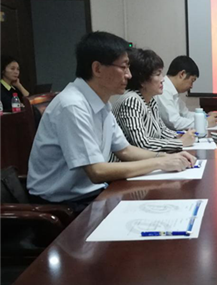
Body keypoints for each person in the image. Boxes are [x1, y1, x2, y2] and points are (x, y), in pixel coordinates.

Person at [27, 32, 196, 210]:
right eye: (123, 67)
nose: (129, 75)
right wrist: (160, 163)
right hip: (62, 205)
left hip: (93, 193)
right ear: (97, 69)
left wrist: (167, 157)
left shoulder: (101, 102)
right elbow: (97, 171)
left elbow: (125, 150)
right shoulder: (72, 105)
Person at [112, 48, 196, 154]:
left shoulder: (151, 99)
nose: (163, 79)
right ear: (142, 80)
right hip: (126, 162)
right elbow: (143, 144)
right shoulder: (131, 101)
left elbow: (162, 130)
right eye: (158, 74)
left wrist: (179, 135)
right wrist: (180, 143)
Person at [156, 56, 217, 131]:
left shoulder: (172, 91)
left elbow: (185, 114)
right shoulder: (163, 90)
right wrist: (204, 123)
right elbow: (175, 122)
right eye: (192, 81)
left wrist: (206, 116)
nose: (191, 86)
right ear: (182, 74)